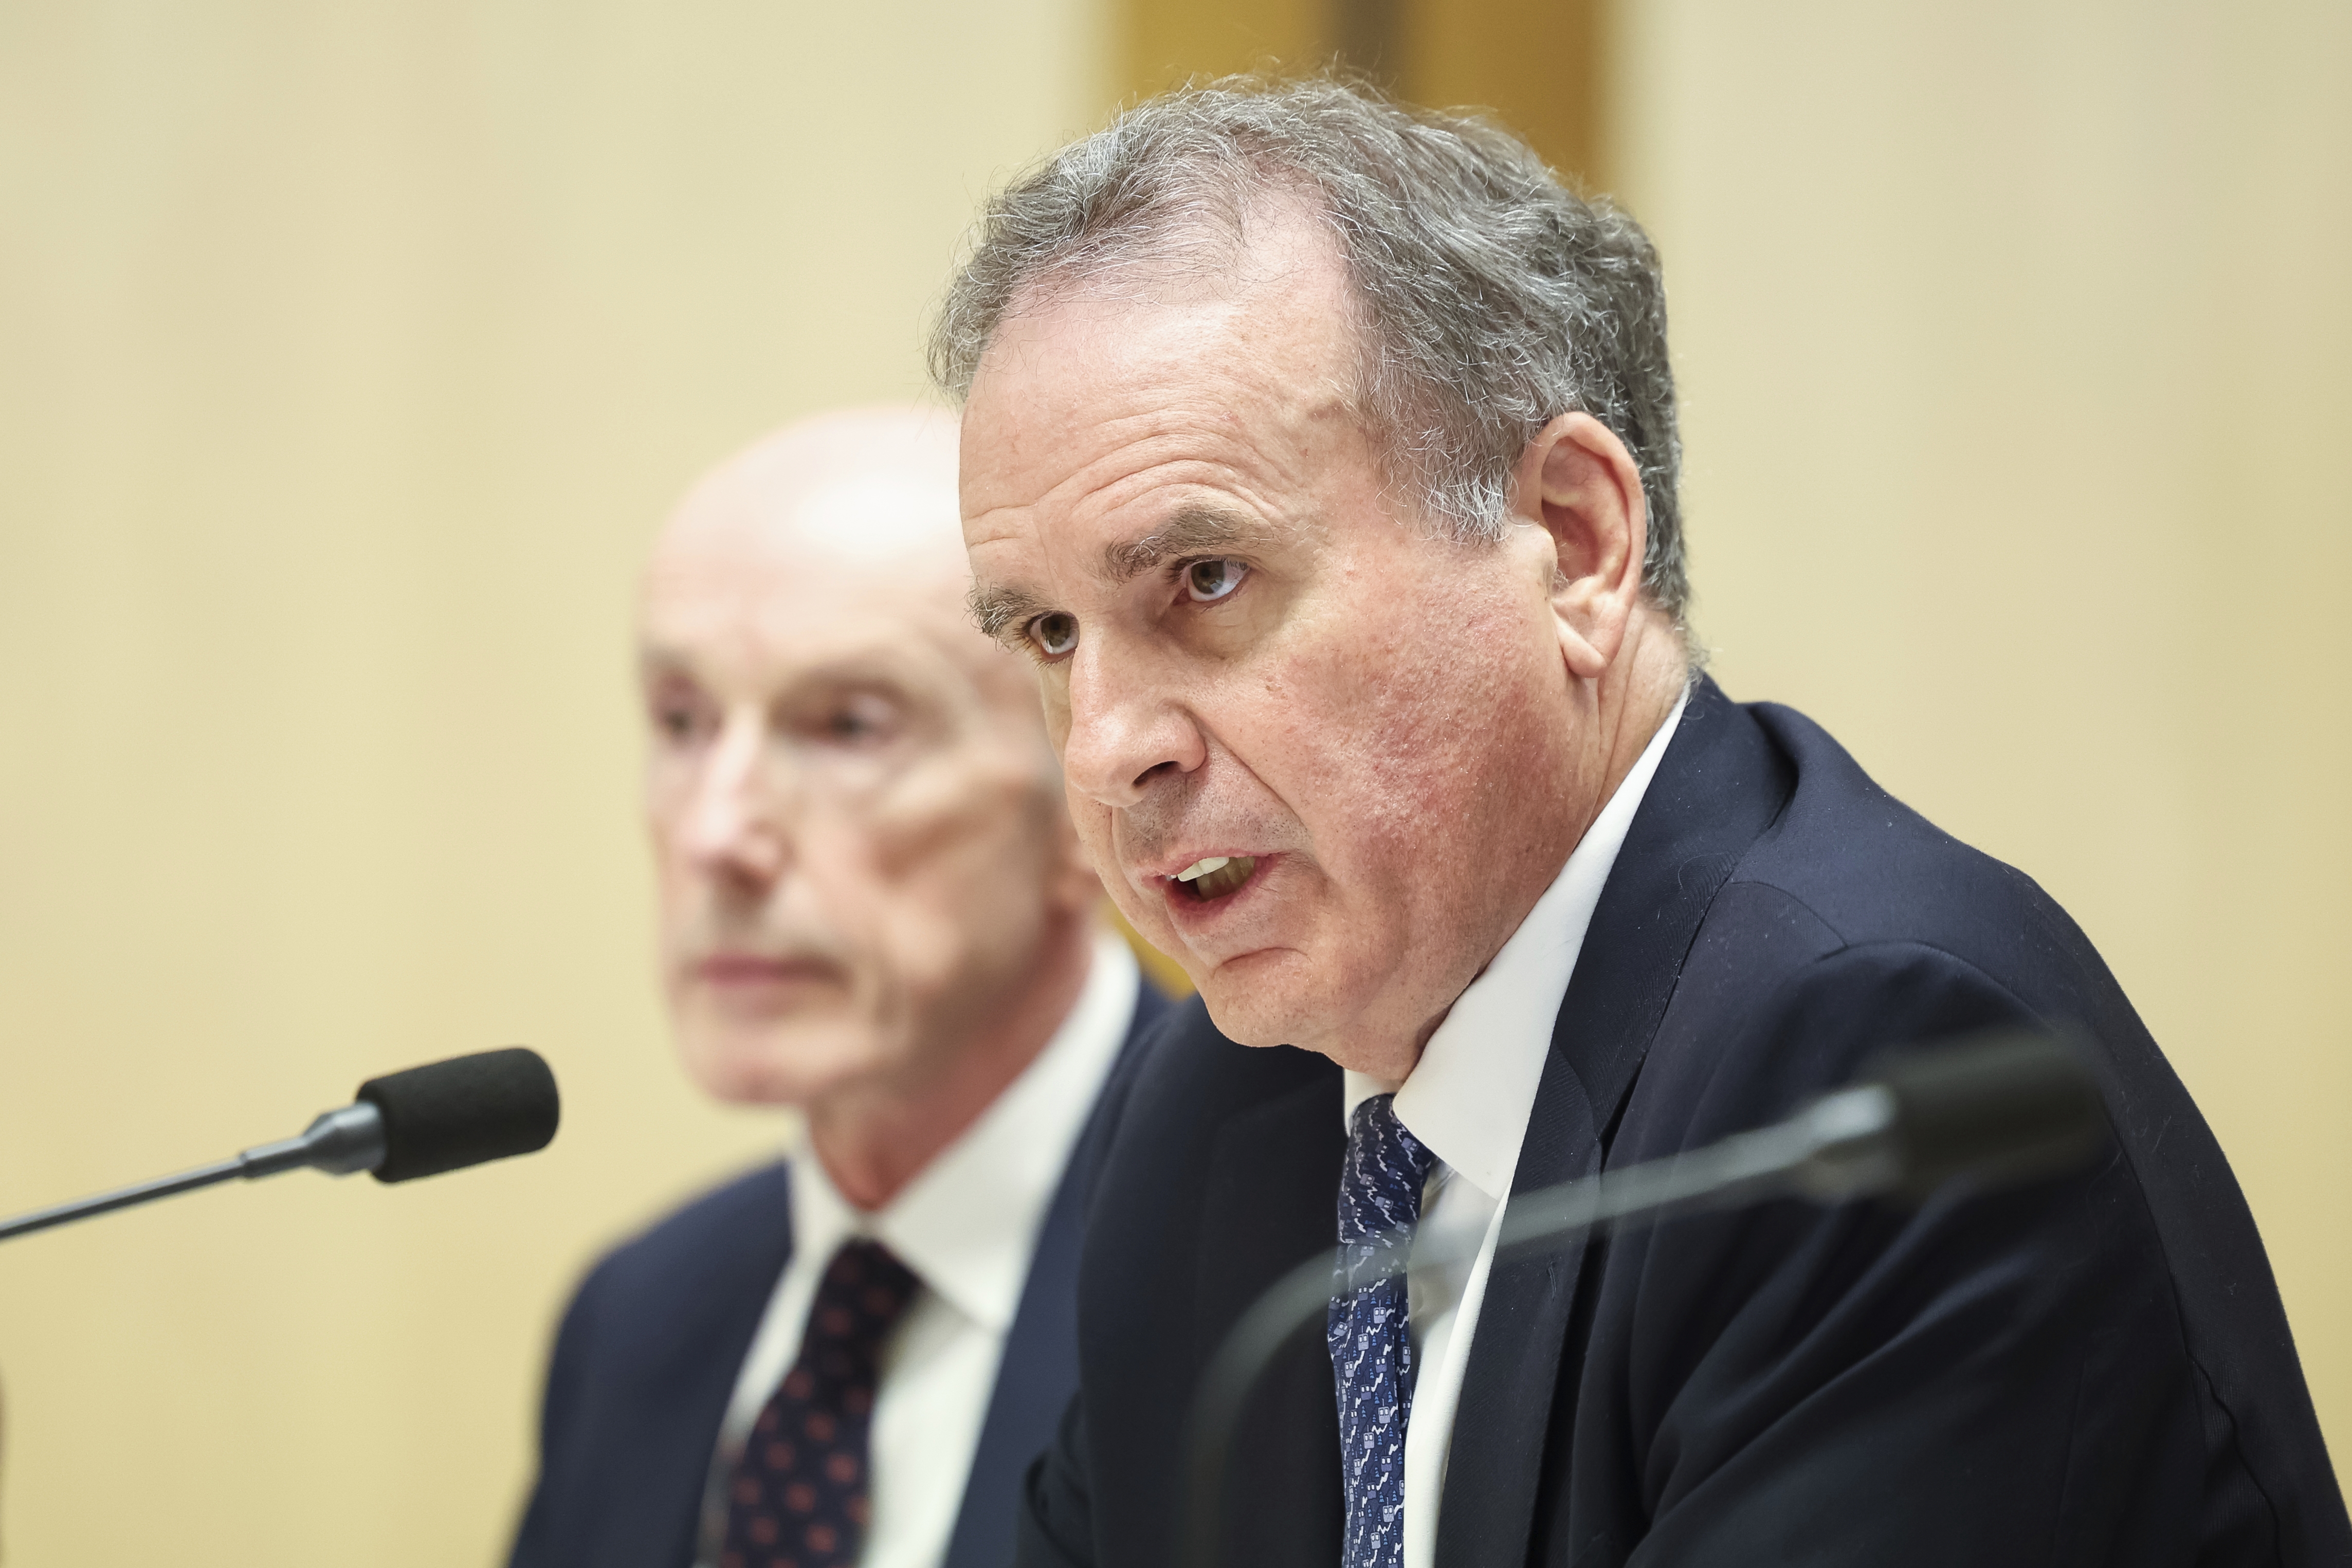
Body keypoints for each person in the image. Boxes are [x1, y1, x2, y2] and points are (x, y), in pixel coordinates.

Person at [932, 79, 2352, 1568]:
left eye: (1205, 581)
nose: (1104, 750)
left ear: (1573, 539)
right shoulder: (1223, 1109)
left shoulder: (1869, 1090)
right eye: (1045, 634)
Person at [508, 407, 1166, 1568]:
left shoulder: (1295, 1263)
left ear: (1085, 797)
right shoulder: (637, 1319)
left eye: (849, 726)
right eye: (679, 722)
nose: (718, 832)